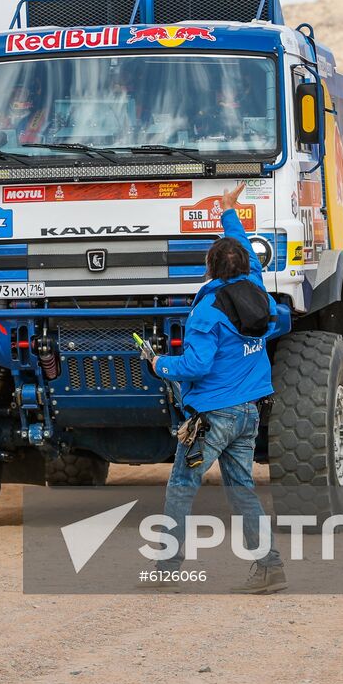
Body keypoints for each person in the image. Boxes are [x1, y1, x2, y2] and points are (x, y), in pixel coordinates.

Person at [147, 182, 288, 594]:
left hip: (211, 417)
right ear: (245, 265)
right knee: (243, 492)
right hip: (248, 412)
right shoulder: (257, 288)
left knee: (180, 487)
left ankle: (167, 566)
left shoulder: (206, 312)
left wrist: (159, 364)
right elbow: (240, 245)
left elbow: (195, 365)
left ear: (208, 269)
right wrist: (229, 210)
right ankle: (269, 566)